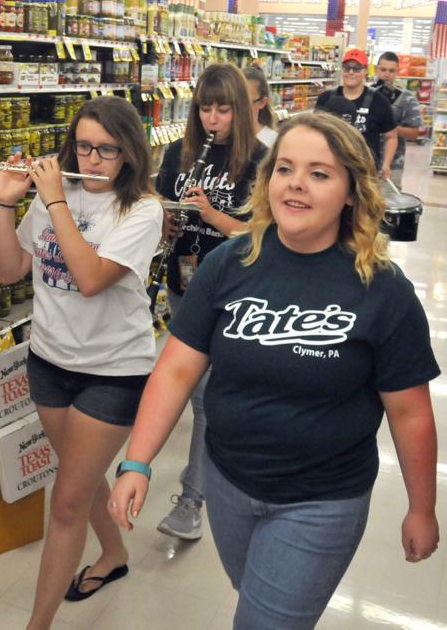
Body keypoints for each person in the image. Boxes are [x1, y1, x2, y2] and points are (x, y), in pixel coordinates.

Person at [109, 112, 440, 630]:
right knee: (257, 597)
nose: (296, 184)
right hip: (228, 482)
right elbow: (175, 370)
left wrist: (422, 507)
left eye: (319, 173)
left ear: (352, 191)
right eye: (284, 168)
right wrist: (138, 461)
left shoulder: (384, 290)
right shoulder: (229, 263)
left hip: (322, 498)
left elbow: (410, 411)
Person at [0, 96, 163, 629]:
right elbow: (12, 269)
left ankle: (35, 625)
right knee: (79, 479)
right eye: (84, 147)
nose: (91, 160)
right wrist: (4, 205)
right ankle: (114, 555)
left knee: (66, 502)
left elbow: (90, 280)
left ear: (129, 153)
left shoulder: (142, 210)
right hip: (48, 360)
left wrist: (56, 205)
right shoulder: (53, 195)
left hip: (113, 371)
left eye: (107, 150)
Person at [153, 62, 266, 541]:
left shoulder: (260, 161)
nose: (212, 118)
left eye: (223, 109)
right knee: (192, 392)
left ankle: (191, 500)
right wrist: (166, 221)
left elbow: (265, 234)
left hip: (232, 293)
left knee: (202, 398)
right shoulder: (180, 152)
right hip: (183, 286)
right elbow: (155, 205)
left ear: (241, 110)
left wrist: (212, 215)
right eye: (205, 108)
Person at [314, 47, 398, 181]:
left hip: (366, 172)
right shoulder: (326, 98)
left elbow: (391, 136)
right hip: (329, 169)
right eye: (347, 68)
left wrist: (386, 164)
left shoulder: (379, 100)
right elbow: (315, 133)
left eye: (357, 68)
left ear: (365, 70)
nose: (351, 72)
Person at [372, 51, 424, 188]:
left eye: (391, 70)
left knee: (388, 204)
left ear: (397, 72)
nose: (386, 74)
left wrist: (388, 126)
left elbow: (414, 133)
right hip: (365, 161)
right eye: (383, 69)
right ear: (376, 69)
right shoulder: (366, 93)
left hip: (393, 164)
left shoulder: (406, 97)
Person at [243, 65, 280, 149]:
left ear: (262, 102)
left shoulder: (272, 142)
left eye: (245, 103)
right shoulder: (225, 136)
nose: (238, 107)